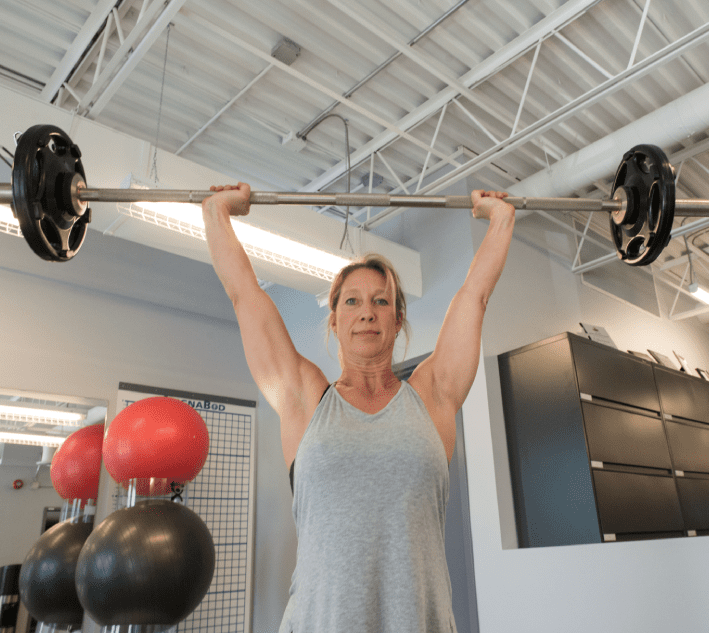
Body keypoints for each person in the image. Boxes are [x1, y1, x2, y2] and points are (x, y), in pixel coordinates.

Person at [202, 184, 515, 633]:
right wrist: (217, 214)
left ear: (397, 319)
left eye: (380, 301)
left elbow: (474, 296)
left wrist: (501, 220)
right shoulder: (305, 398)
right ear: (334, 319)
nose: (366, 312)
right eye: (352, 301)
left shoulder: (432, 395)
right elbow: (244, 296)